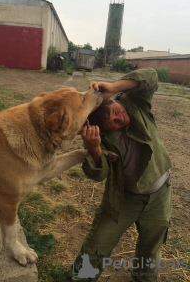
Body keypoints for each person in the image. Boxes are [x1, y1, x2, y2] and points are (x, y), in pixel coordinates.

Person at [72, 68, 172, 282]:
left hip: (160, 195)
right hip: (124, 198)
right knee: (96, 246)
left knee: (150, 251)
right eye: (113, 123)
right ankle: (80, 278)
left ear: (115, 101)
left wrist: (114, 87)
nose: (120, 118)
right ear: (103, 129)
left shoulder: (135, 104)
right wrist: (94, 148)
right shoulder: (98, 136)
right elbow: (99, 175)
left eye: (116, 111)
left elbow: (152, 76)